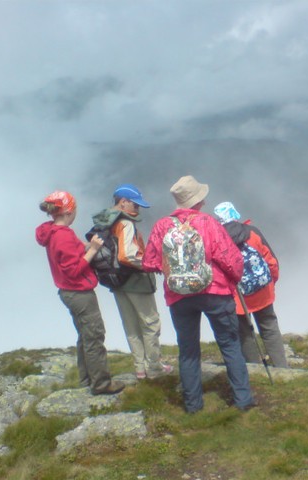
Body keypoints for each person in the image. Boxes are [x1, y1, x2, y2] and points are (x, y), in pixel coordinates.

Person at [142, 175, 255, 413]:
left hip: (179, 295)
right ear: (199, 201)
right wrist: (234, 280)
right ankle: (243, 401)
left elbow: (149, 263)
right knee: (230, 344)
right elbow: (230, 259)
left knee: (188, 349)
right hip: (215, 291)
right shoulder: (209, 223)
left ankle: (193, 405)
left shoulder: (162, 226)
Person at [35, 191, 125, 396]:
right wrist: (92, 250)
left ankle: (87, 379)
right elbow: (74, 270)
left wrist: (84, 245)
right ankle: (101, 384)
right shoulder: (64, 236)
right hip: (79, 293)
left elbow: (69, 251)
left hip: (68, 292)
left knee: (85, 335)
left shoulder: (52, 231)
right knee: (94, 335)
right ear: (69, 211)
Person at [90, 184, 173, 380]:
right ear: (123, 202)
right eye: (135, 206)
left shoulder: (105, 221)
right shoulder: (125, 223)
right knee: (150, 323)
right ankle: (154, 367)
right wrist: (150, 265)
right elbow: (127, 255)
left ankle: (139, 368)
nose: (137, 210)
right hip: (135, 281)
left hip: (116, 281)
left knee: (131, 325)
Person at [213, 202, 289, 368]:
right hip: (262, 291)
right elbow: (271, 261)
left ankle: (254, 368)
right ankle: (282, 367)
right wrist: (270, 283)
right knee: (269, 327)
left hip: (238, 298)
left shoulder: (218, 241)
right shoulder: (252, 232)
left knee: (244, 333)